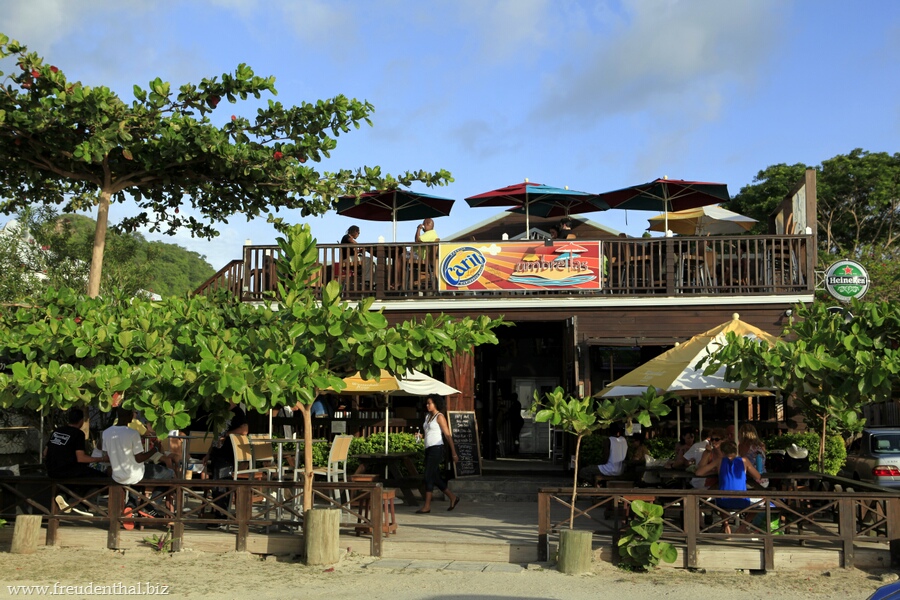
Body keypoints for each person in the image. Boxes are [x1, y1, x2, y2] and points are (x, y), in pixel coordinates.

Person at [45, 408, 108, 515]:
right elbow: (81, 458)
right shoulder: (78, 434)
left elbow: (45, 453)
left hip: (51, 471)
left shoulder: (57, 431)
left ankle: (65, 496)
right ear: (81, 421)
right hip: (68, 471)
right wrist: (102, 459)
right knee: (102, 479)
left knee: (85, 475)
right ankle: (80, 503)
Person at [696, 440, 762, 533]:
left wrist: (716, 471)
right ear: (736, 450)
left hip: (723, 502)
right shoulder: (744, 460)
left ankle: (726, 524)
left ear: (722, 452)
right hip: (742, 501)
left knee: (722, 496)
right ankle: (743, 526)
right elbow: (758, 476)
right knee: (761, 504)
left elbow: (699, 472)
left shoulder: (719, 461)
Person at [202, 404, 249, 528]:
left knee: (222, 485)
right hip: (217, 453)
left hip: (228, 454)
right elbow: (216, 436)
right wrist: (208, 453)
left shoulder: (237, 412)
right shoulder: (220, 412)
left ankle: (222, 517)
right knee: (217, 485)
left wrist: (228, 434)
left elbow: (244, 429)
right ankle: (218, 515)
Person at [417, 394, 460, 514]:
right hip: (428, 448)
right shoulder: (427, 417)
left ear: (436, 404)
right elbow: (428, 433)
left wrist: (454, 452)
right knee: (434, 476)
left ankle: (427, 506)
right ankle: (452, 497)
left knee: (428, 476)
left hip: (437, 448)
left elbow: (447, 435)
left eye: (429, 403)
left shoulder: (439, 417)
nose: (427, 405)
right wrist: (420, 436)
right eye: (426, 403)